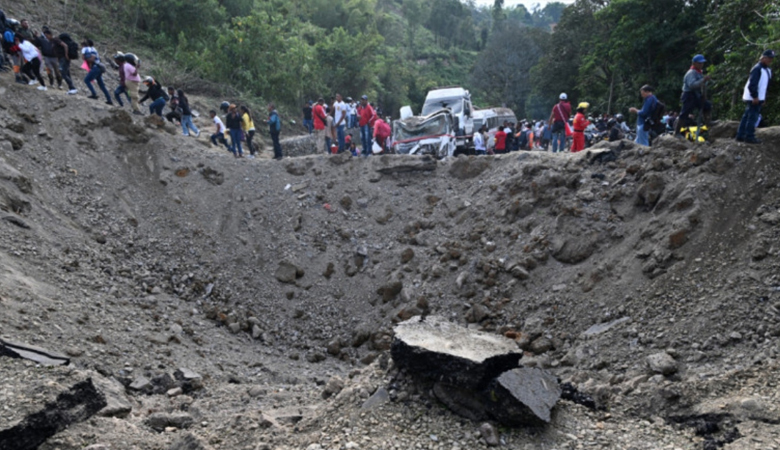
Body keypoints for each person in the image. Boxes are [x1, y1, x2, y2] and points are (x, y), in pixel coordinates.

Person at [736, 50, 775, 144]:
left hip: (758, 97)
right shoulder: (757, 69)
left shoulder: (767, 70)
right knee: (752, 117)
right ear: (763, 58)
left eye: (771, 58)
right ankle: (749, 136)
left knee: (747, 115)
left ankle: (740, 135)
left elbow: (764, 86)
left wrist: (763, 97)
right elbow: (752, 84)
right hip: (753, 97)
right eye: (769, 58)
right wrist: (755, 96)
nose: (770, 60)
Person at [676, 54, 712, 135]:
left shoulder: (699, 72)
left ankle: (708, 123)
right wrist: (703, 80)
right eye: (699, 63)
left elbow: (701, 84)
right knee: (684, 113)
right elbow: (692, 85)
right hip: (689, 95)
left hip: (696, 94)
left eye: (702, 63)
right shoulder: (691, 73)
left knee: (707, 105)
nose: (701, 65)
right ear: (694, 63)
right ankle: (677, 132)